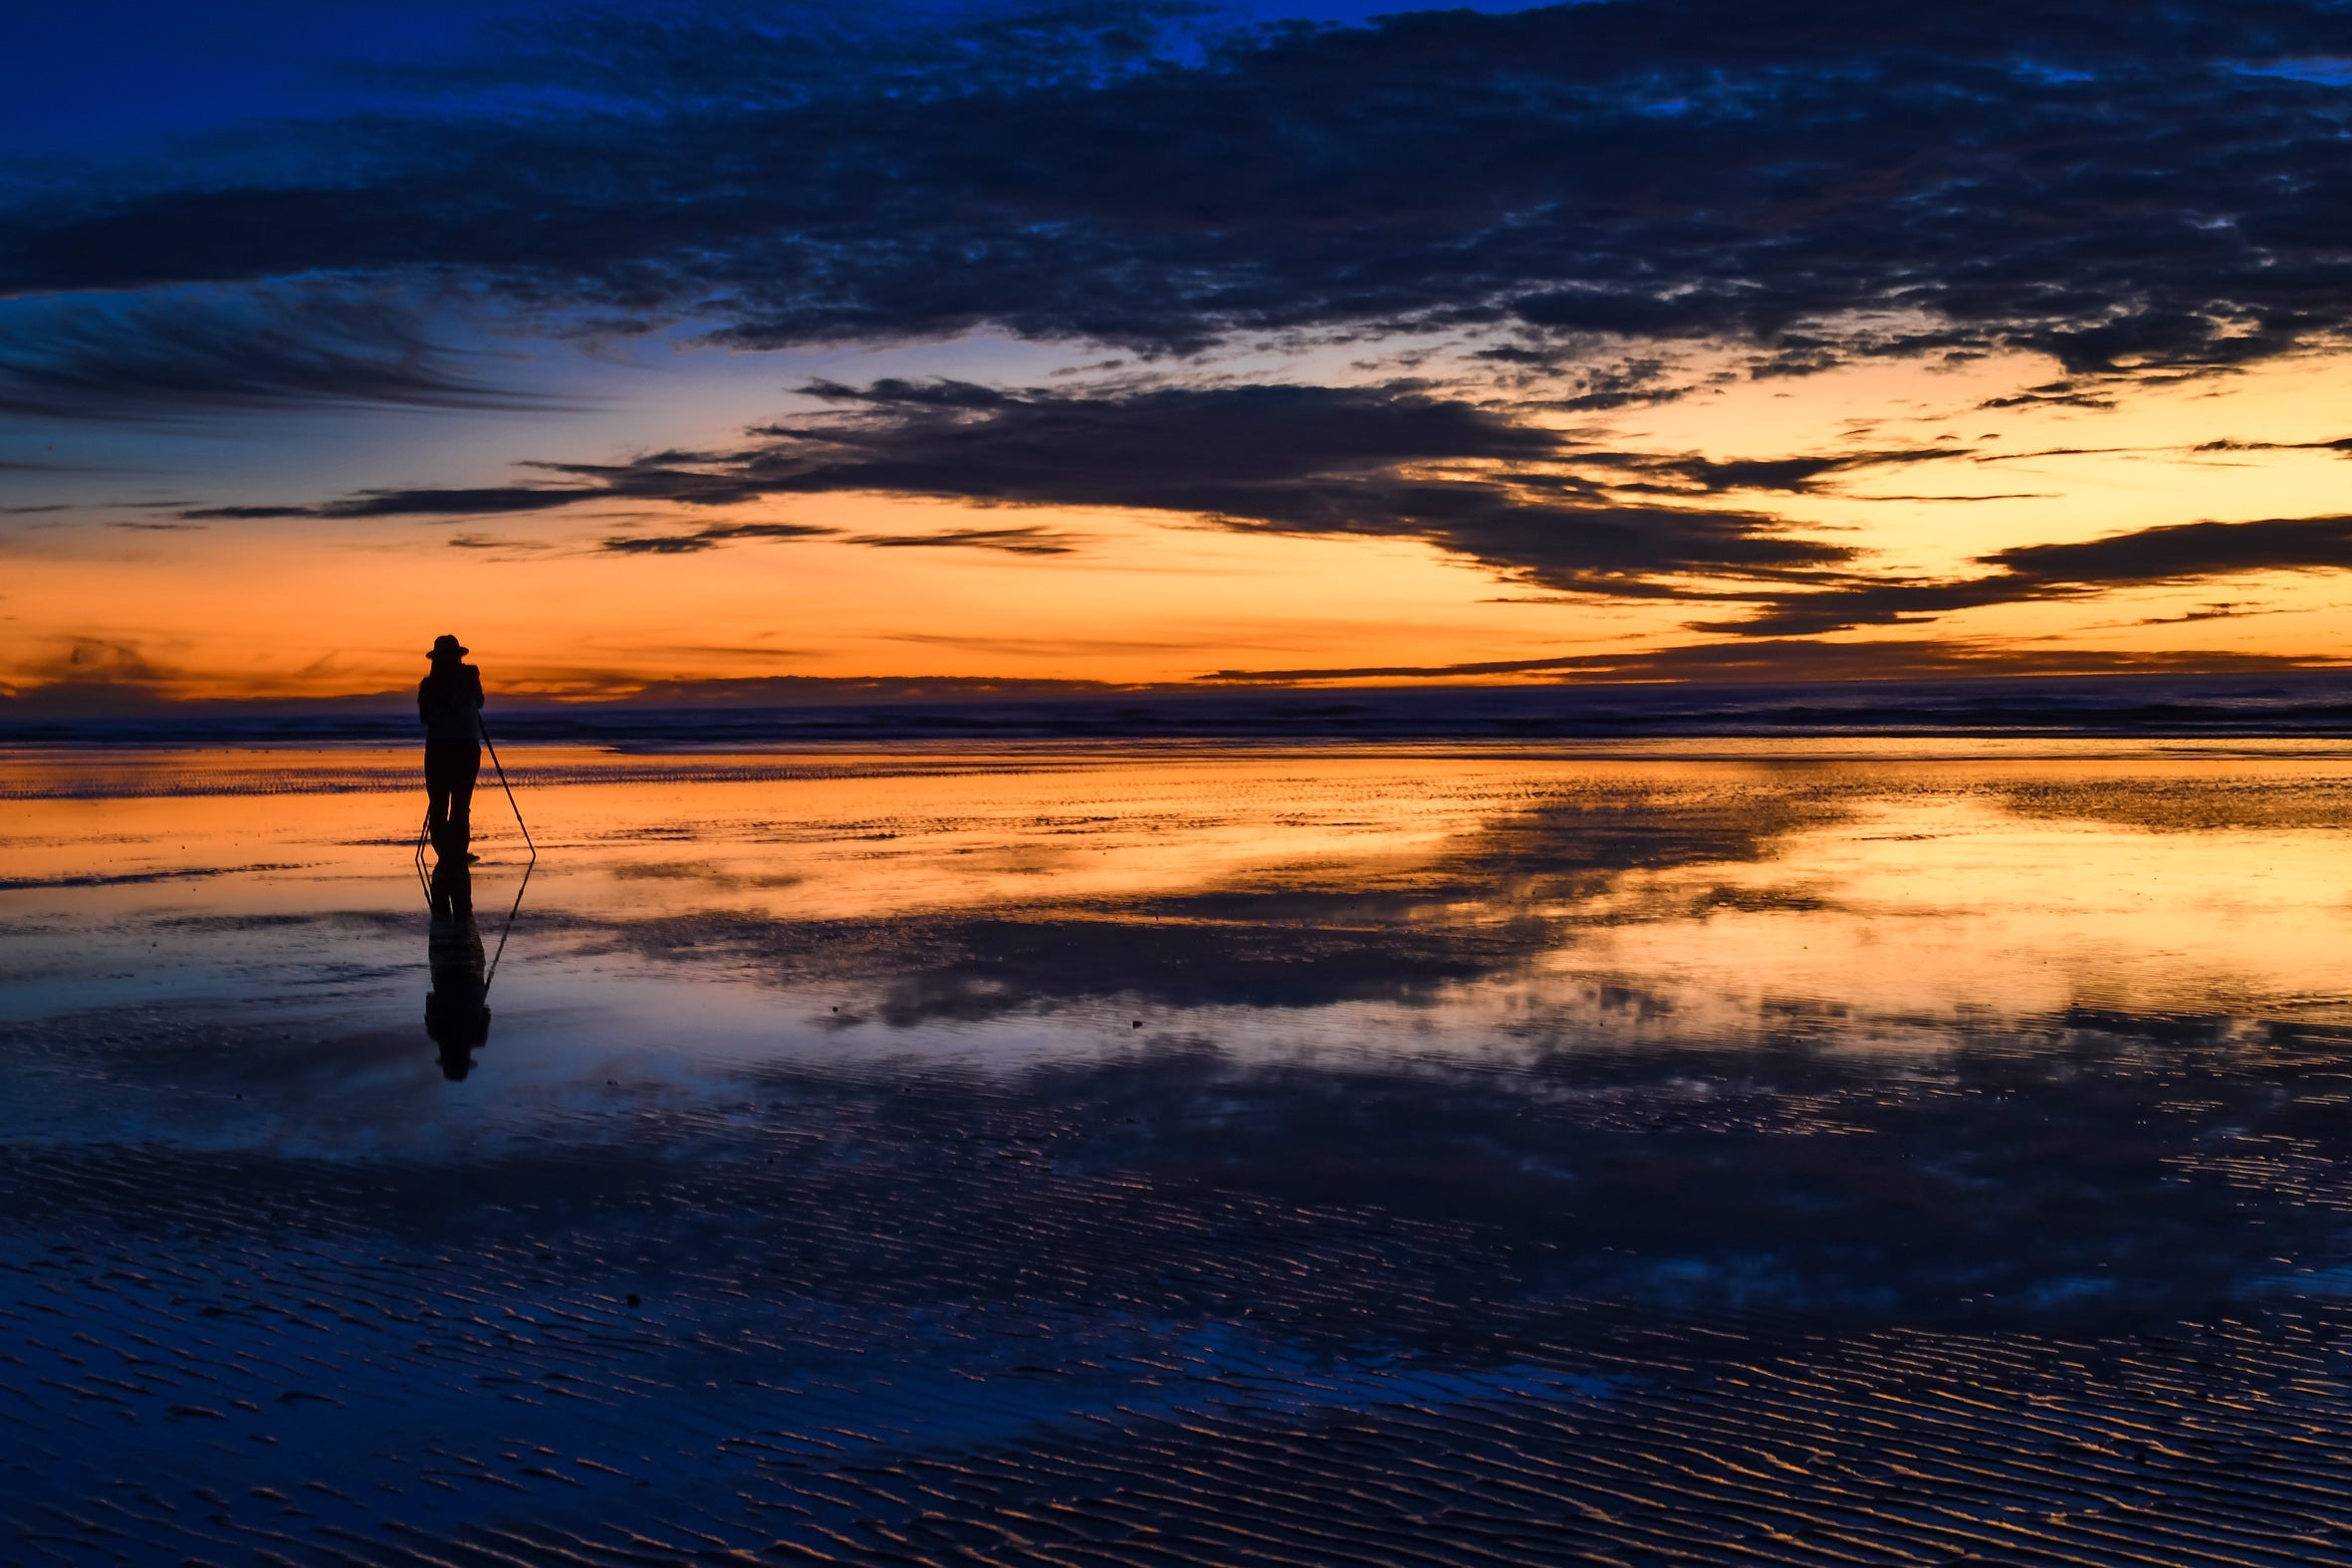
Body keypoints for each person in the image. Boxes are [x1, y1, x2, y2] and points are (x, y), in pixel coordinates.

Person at [425, 856, 491, 1080]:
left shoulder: (478, 1037)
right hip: (442, 966)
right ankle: (447, 869)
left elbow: (487, 1011)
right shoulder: (436, 1032)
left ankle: (455, 867)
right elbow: (431, 1000)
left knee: (463, 912)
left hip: (470, 968)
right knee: (442, 911)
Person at [418, 634, 484, 858]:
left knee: (439, 803)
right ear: (458, 657)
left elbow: (424, 718)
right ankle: (456, 852)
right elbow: (481, 702)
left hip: (439, 748)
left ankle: (446, 853)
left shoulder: (429, 684)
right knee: (460, 804)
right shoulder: (468, 678)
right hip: (465, 747)